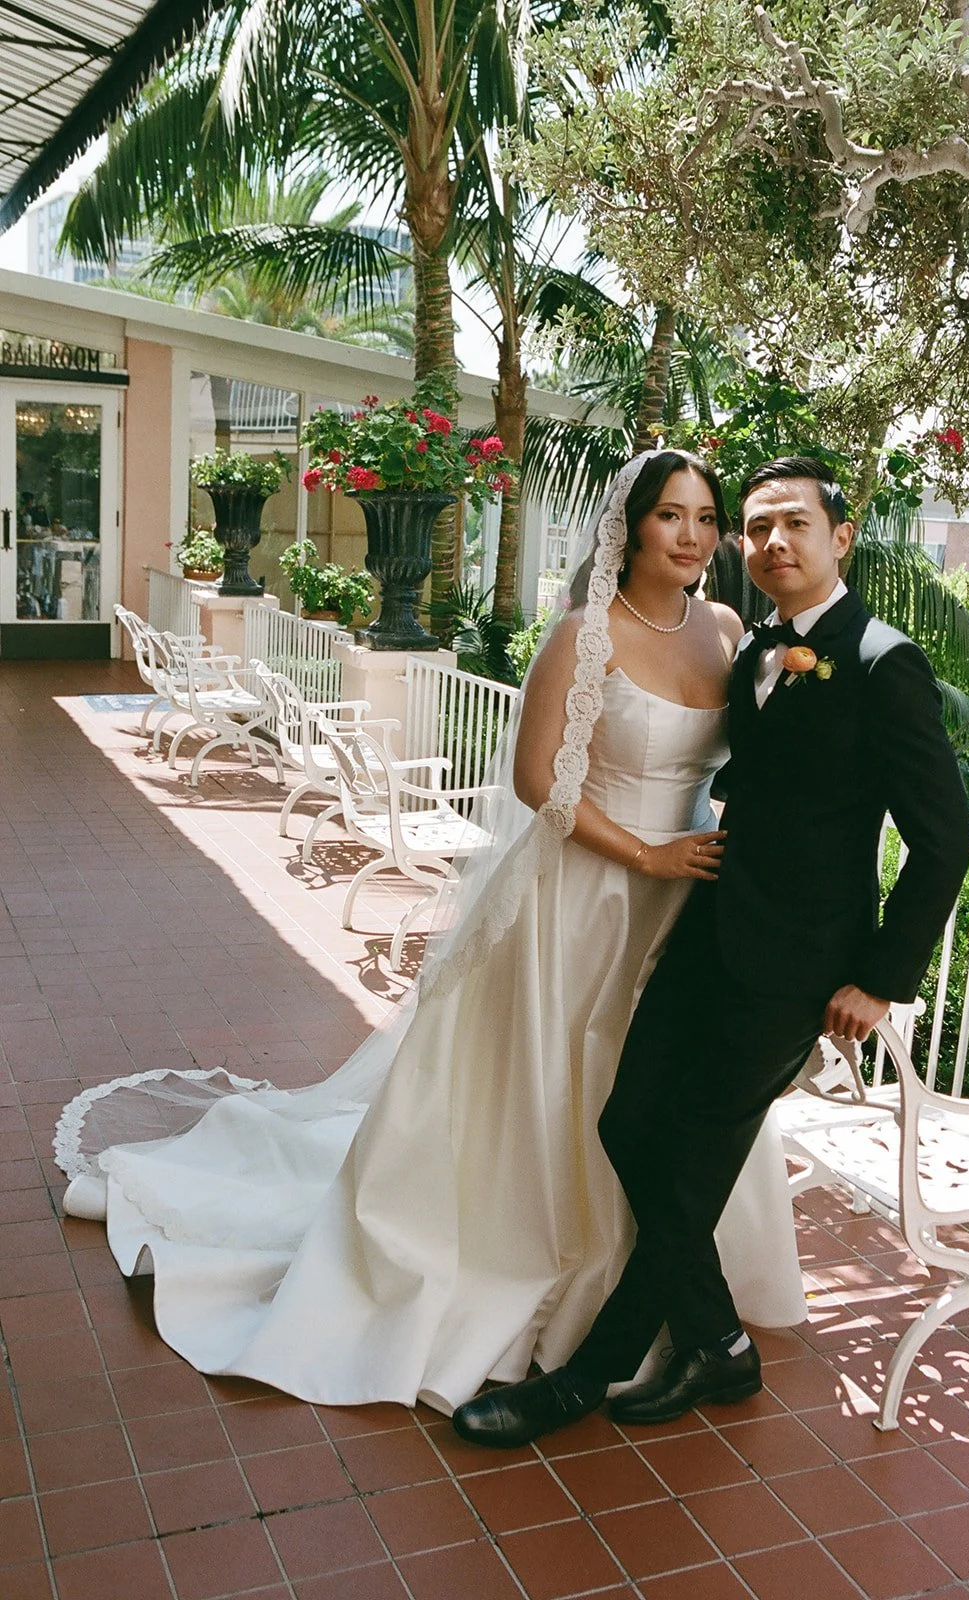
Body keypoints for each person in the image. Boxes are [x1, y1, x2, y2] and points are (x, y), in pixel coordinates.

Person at [55, 450, 806, 1411]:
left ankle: (665, 1278)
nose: (693, 536)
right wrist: (647, 855)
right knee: (566, 1085)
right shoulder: (582, 636)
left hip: (690, 907)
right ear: (631, 529)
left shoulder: (731, 631)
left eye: (706, 518)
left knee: (666, 1096)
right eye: (672, 516)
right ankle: (543, 1257)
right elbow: (539, 783)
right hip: (589, 897)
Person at [452, 455, 969, 1447]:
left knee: (685, 1167)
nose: (769, 542)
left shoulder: (880, 661)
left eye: (793, 525)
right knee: (624, 1124)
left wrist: (877, 977)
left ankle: (581, 1379)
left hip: (799, 971)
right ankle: (716, 1343)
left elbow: (939, 837)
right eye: (756, 526)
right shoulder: (750, 648)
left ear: (840, 537)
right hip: (707, 933)